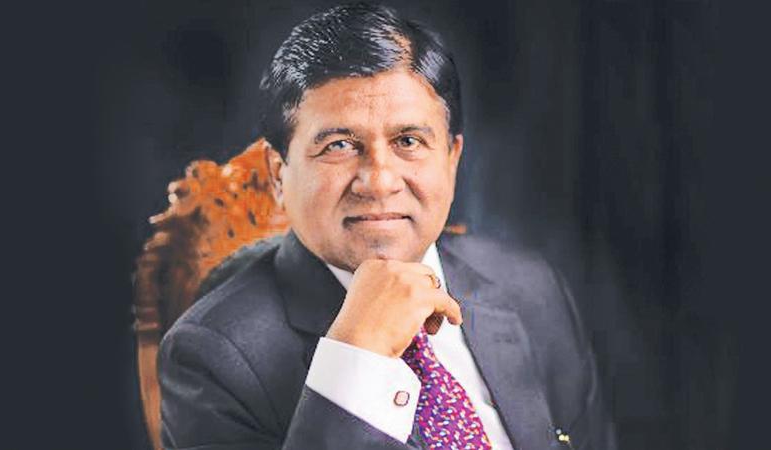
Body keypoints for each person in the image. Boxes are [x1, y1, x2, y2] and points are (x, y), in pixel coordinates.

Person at [158, 3, 617, 449]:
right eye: (339, 145)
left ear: (452, 159)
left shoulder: (531, 289)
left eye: (408, 141)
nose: (379, 181)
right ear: (278, 174)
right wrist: (357, 356)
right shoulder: (211, 355)